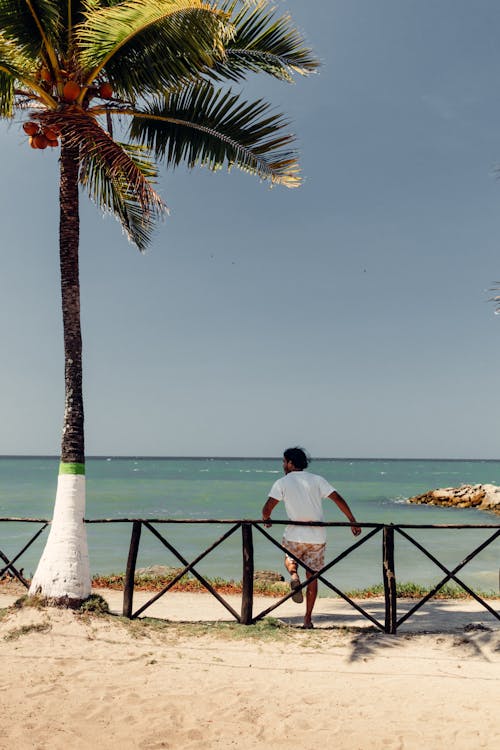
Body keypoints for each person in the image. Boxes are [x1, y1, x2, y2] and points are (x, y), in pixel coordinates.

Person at [261, 447, 361, 629]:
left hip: (294, 535)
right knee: (313, 577)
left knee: (289, 559)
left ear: (291, 463)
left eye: (284, 462)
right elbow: (337, 498)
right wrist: (352, 521)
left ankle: (293, 575)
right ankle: (307, 619)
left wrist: (266, 519)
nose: (283, 465)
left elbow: (267, 508)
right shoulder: (317, 480)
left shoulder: (282, 482)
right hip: (317, 537)